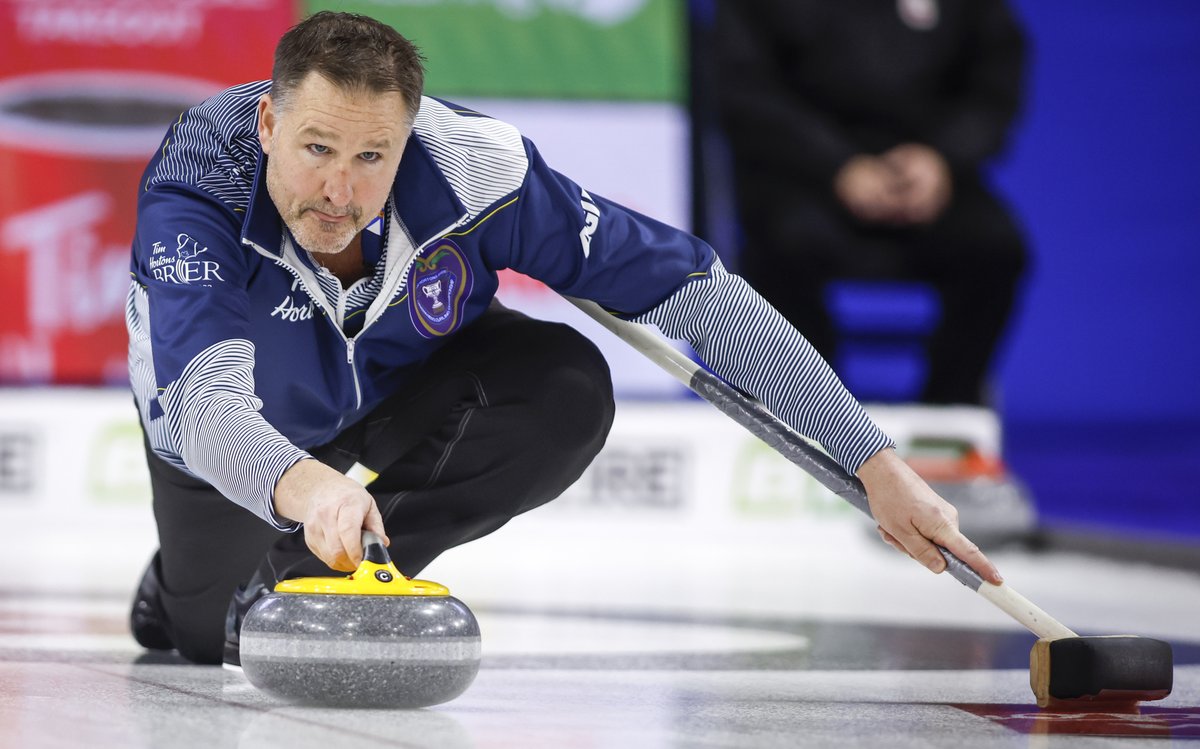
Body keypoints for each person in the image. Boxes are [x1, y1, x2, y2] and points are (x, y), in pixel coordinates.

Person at [126, 11, 1002, 667]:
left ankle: (296, 584)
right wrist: (307, 487)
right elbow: (204, 407)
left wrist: (874, 463)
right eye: (317, 148)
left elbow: (695, 292)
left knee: (566, 386)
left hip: (404, 386)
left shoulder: (479, 170)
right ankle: (180, 591)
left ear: (411, 136)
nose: (341, 191)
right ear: (271, 126)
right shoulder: (200, 179)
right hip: (240, 432)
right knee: (206, 637)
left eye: (372, 158)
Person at [712, 0, 1029, 405]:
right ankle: (810, 412)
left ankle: (947, 416)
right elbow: (743, 87)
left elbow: (993, 85)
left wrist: (942, 158)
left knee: (995, 247)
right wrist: (837, 165)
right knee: (783, 241)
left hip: (926, 175)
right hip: (801, 173)